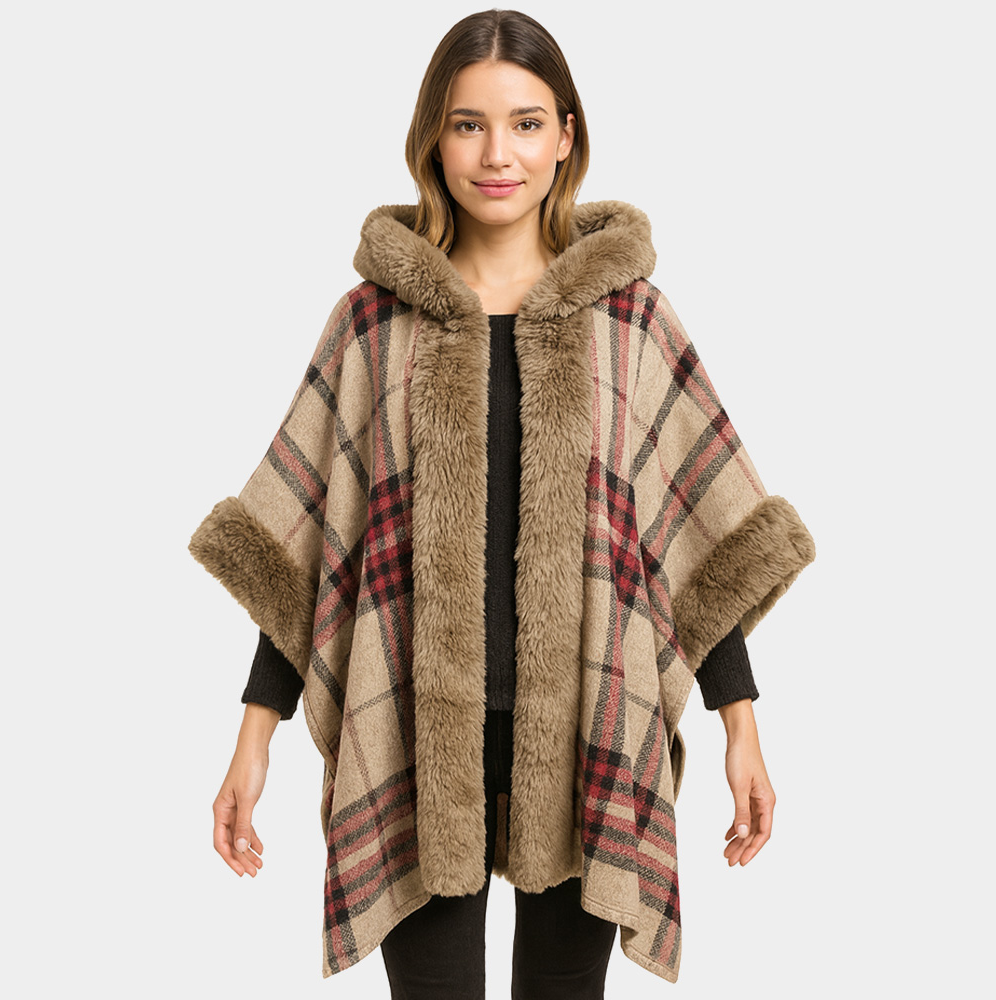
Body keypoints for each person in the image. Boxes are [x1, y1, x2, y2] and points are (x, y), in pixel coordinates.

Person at [190, 9, 815, 997]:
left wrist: (742, 724)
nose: (497, 154)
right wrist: (252, 736)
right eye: (467, 124)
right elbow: (314, 551)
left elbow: (688, 539)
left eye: (525, 124)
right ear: (433, 140)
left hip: (586, 729)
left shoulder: (629, 319)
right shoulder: (373, 324)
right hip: (410, 736)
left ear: (565, 137)